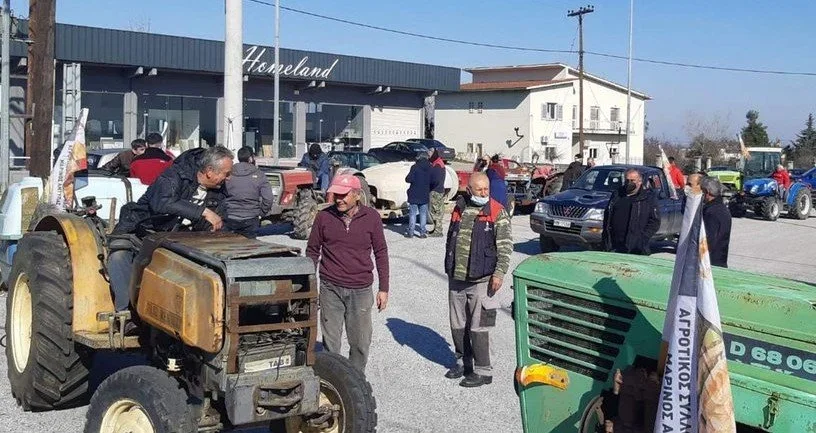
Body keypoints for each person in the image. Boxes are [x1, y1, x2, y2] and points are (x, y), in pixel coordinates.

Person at [108, 146, 234, 317]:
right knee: (119, 256)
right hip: (143, 230)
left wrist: (217, 231)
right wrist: (203, 212)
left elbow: (219, 220)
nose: (229, 178)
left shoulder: (220, 191)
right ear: (210, 171)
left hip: (182, 239)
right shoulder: (174, 175)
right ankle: (126, 313)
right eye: (226, 173)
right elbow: (162, 203)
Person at [306, 174, 390, 372]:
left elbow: (381, 252)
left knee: (360, 342)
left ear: (357, 195)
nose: (339, 199)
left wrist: (383, 288)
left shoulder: (372, 217)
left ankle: (355, 379)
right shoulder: (324, 217)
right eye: (336, 194)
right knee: (331, 342)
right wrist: (311, 285)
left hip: (360, 290)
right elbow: (312, 251)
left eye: (344, 195)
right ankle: (333, 381)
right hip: (330, 288)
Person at [444, 172, 512, 388]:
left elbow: (505, 245)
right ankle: (464, 363)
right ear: (469, 189)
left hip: (482, 280)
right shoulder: (460, 207)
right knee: (458, 325)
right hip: (458, 278)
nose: (484, 193)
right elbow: (450, 238)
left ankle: (484, 370)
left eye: (486, 189)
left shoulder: (496, 211)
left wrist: (499, 273)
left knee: (481, 327)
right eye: (479, 189)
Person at [602, 168, 661, 255]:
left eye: (632, 180)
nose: (629, 183)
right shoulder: (617, 195)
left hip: (635, 248)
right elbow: (608, 216)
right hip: (614, 246)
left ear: (640, 181)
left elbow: (655, 221)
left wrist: (642, 239)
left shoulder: (648, 198)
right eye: (627, 180)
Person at [224, 147, 275, 238]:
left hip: (230, 215)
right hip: (251, 216)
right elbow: (268, 198)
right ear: (251, 158)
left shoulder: (227, 173)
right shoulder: (259, 174)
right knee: (249, 247)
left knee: (229, 245)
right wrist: (261, 212)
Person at [700, 177, 732, 268]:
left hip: (710, 262)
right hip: (720, 260)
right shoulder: (722, 209)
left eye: (702, 191)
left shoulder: (712, 212)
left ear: (707, 192)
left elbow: (708, 240)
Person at [405, 152, 433, 238]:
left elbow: (408, 179)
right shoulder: (430, 167)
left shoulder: (414, 167)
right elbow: (432, 180)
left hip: (414, 193)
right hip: (424, 193)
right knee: (423, 214)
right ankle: (422, 232)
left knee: (413, 213)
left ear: (419, 158)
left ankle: (411, 232)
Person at [428, 149, 447, 237]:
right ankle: (436, 228)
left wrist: (429, 184)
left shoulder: (437, 165)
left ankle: (438, 231)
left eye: (430, 154)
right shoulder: (438, 162)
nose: (428, 156)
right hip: (439, 190)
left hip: (436, 190)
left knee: (435, 211)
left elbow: (435, 179)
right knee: (436, 210)